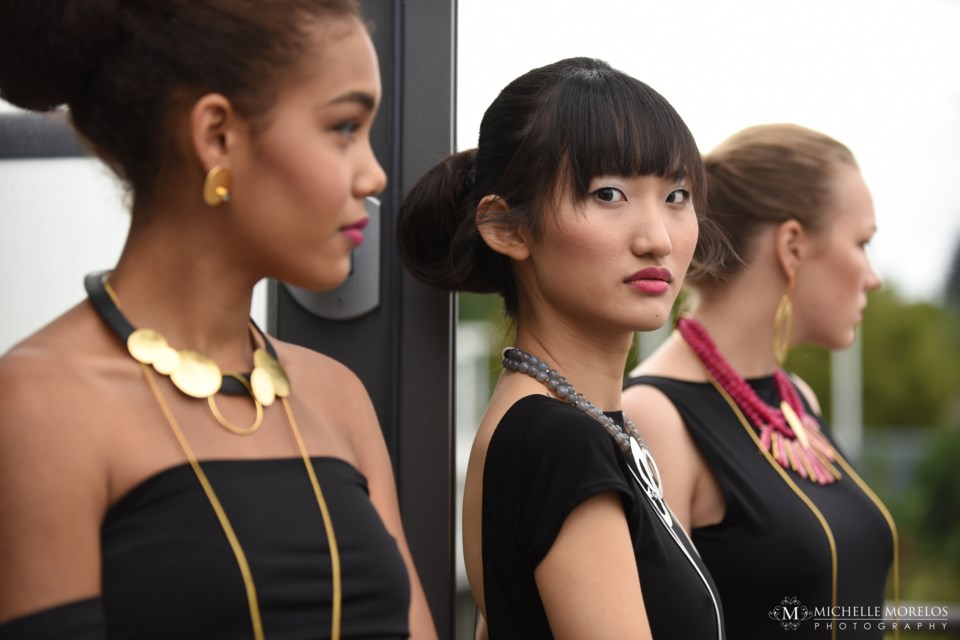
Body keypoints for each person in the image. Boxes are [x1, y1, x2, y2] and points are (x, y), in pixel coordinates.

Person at [0, 1, 436, 638]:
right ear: (218, 136)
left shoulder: (336, 398)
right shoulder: (40, 406)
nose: (374, 174)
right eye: (344, 126)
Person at [398, 57, 727, 639]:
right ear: (508, 227)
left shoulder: (566, 427)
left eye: (676, 195)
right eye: (608, 194)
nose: (657, 238)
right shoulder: (558, 441)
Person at [623, 123, 896, 639]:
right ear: (792, 245)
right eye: (862, 243)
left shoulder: (795, 397)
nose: (873, 275)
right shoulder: (655, 417)